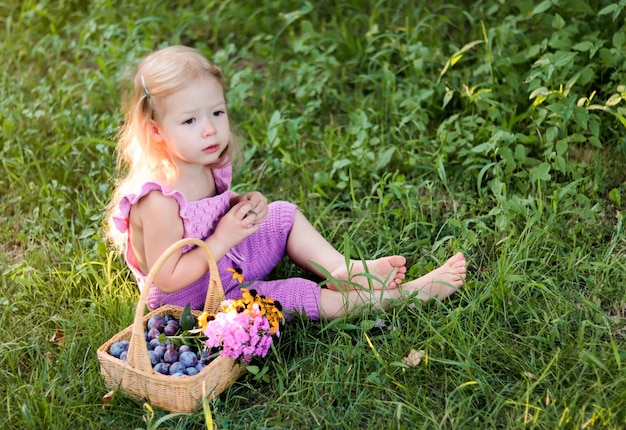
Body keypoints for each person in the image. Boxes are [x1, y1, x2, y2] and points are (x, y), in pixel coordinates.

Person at [105, 45, 466, 321]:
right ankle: (403, 296)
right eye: (189, 121)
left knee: (281, 216)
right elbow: (167, 277)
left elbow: (210, 213)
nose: (209, 128)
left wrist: (241, 205)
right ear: (155, 131)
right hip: (193, 298)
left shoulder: (204, 158)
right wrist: (223, 237)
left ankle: (344, 269)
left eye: (216, 112)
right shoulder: (158, 200)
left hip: (226, 259)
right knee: (288, 295)